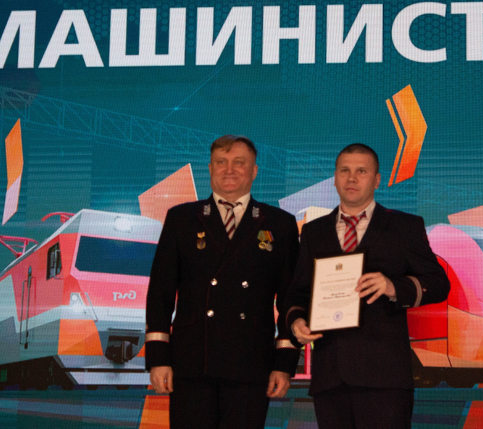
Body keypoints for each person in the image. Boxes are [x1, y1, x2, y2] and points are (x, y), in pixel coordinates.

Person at [284, 143, 450, 429]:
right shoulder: (313, 231)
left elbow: (438, 283)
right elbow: (297, 293)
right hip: (330, 376)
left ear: (377, 180)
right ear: (334, 178)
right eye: (344, 171)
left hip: (385, 378)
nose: (352, 178)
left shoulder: (405, 226)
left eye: (362, 171)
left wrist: (394, 286)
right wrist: (296, 321)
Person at [145, 135, 300, 429]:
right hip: (192, 362)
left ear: (254, 171)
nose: (229, 169)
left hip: (251, 363)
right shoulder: (181, 218)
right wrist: (158, 358)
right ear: (210, 168)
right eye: (221, 162)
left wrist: (284, 363)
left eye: (239, 162)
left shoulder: (279, 223)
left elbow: (290, 298)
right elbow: (160, 293)